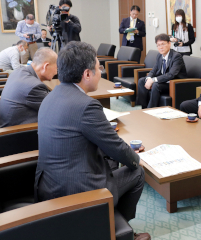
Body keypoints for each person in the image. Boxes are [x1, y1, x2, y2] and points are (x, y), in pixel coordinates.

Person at [34, 41, 150, 240]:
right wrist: (134, 157)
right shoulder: (87, 106)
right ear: (87, 74)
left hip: (48, 184)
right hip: (77, 192)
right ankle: (116, 229)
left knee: (111, 160)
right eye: (98, 68)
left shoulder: (51, 95)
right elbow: (116, 147)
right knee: (137, 172)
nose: (101, 72)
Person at [0, 48, 57, 127]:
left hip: (8, 123)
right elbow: (56, 109)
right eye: (56, 67)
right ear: (45, 66)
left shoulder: (19, 72)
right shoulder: (34, 87)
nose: (56, 72)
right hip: (19, 133)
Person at [136, 34, 187, 109]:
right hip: (164, 81)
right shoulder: (159, 55)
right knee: (141, 81)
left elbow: (171, 75)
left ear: (169, 44)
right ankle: (143, 108)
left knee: (156, 85)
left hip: (175, 83)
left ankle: (151, 109)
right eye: (158, 45)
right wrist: (149, 78)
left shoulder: (176, 56)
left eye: (163, 44)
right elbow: (154, 69)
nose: (161, 47)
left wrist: (153, 80)